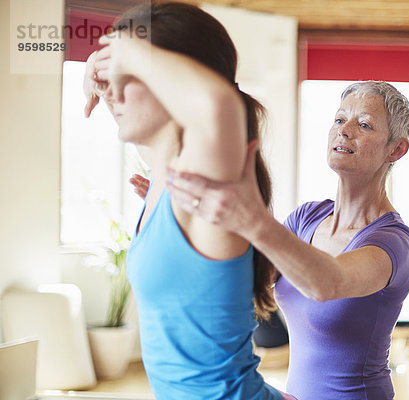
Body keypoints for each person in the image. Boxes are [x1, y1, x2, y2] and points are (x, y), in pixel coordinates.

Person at [83, 2, 294, 399]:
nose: (113, 93)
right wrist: (108, 73)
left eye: (128, 75)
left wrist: (128, 48)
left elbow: (216, 103)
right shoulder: (166, 176)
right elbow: (144, 111)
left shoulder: (206, 176)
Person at [165, 80, 409, 399]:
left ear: (396, 149)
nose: (344, 130)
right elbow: (249, 279)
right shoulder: (306, 219)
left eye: (364, 124)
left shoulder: (394, 242)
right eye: (340, 119)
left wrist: (252, 218)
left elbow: (328, 283)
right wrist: (185, 205)